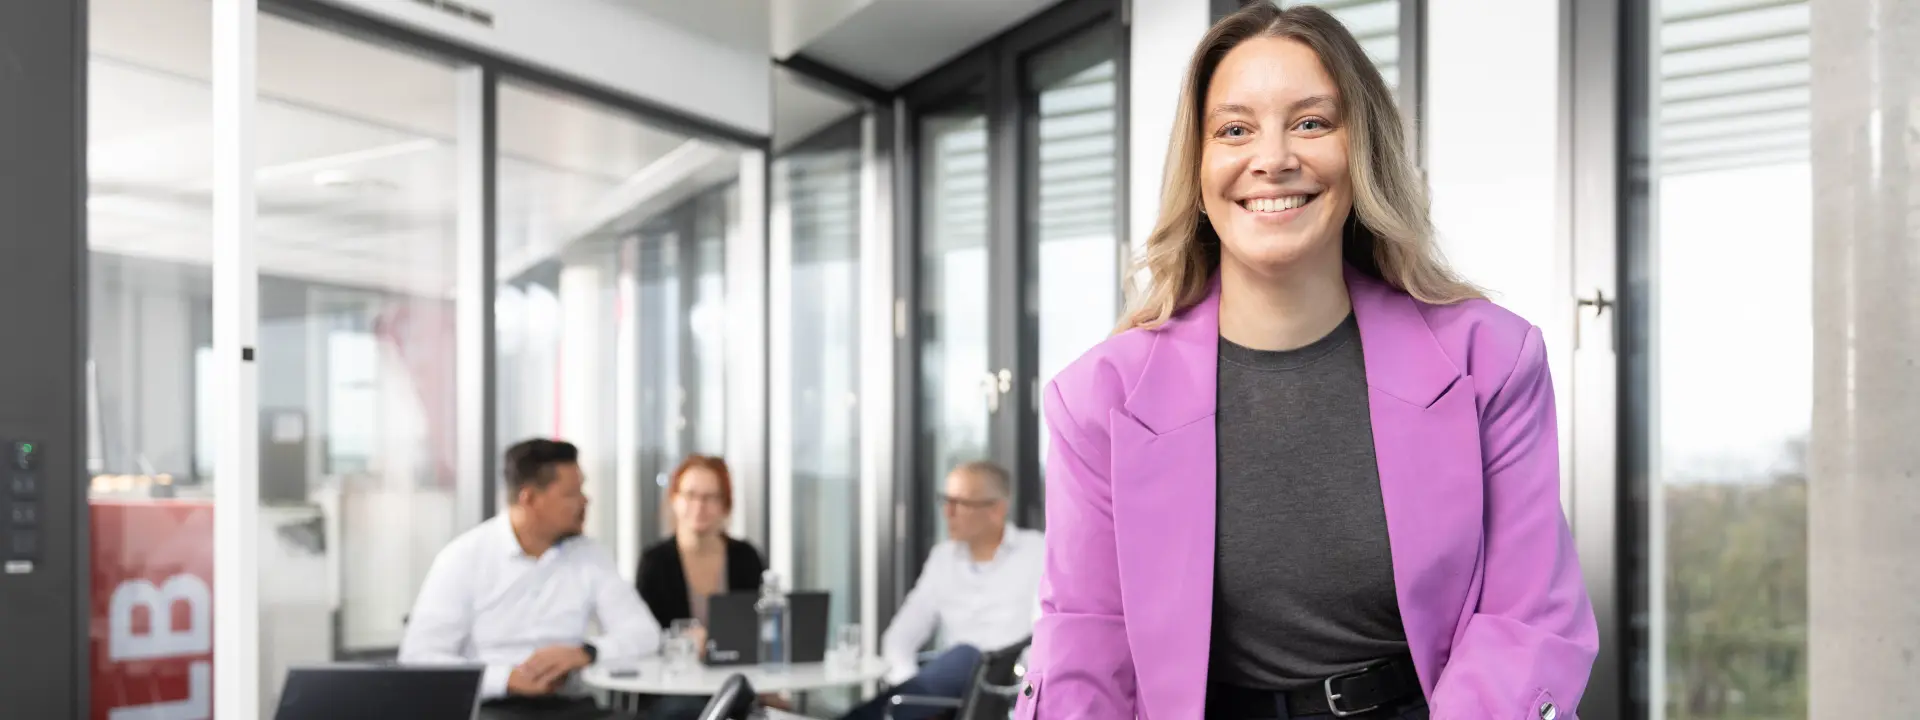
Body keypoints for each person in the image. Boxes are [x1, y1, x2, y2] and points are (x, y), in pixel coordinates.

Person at [1016, 5, 1598, 720]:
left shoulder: (1492, 358)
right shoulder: (1097, 398)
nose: (1273, 158)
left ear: (1362, 151)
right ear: (1198, 168)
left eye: (1311, 123)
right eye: (1234, 130)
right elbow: (1085, 649)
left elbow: (1526, 617)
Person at [400, 439, 656, 720]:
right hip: (492, 708)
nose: (585, 501)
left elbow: (645, 634)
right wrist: (507, 678)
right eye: (572, 493)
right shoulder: (463, 558)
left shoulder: (590, 556)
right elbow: (418, 659)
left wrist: (586, 652)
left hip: (571, 706)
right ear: (529, 498)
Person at [842, 461, 1043, 720]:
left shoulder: (1036, 553)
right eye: (945, 501)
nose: (948, 512)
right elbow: (898, 639)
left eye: (960, 503)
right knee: (959, 658)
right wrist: (917, 695)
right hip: (947, 697)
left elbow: (1042, 639)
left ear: (996, 509)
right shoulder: (942, 559)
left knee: (969, 656)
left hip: (1006, 688)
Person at [633, 455, 767, 720]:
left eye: (711, 497)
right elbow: (644, 635)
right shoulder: (656, 562)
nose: (699, 506)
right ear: (674, 499)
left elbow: (757, 628)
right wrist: (685, 641)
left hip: (736, 682)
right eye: (690, 495)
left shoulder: (745, 557)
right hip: (673, 689)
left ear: (725, 505)